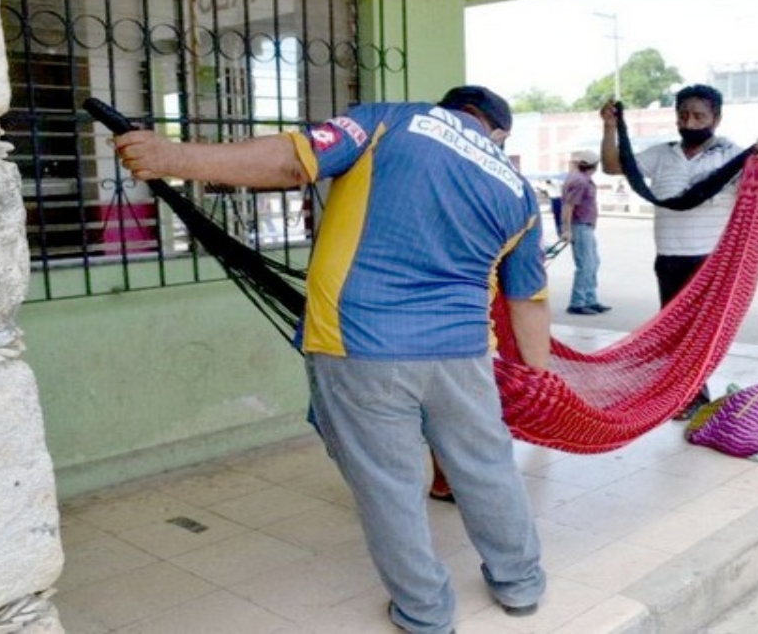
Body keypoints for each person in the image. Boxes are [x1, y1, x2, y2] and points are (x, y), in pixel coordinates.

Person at [114, 85, 548, 634]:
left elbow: (294, 160)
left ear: (451, 107)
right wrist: (539, 377)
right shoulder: (518, 190)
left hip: (361, 344)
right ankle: (521, 584)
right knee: (487, 471)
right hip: (463, 353)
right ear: (496, 131)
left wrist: (173, 157)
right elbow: (526, 298)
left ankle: (425, 612)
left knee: (388, 485)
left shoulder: (393, 122)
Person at [598, 84, 758, 420]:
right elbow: (612, 166)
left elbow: (756, 200)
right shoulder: (662, 153)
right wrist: (609, 127)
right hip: (669, 258)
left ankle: (693, 395)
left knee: (701, 332)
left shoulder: (733, 155)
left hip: (711, 260)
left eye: (698, 116)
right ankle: (680, 392)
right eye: (683, 115)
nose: (690, 122)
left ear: (716, 118)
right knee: (675, 334)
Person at [560, 150, 610, 315]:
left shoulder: (582, 180)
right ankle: (577, 302)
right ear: (595, 165)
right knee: (585, 265)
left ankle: (590, 299)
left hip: (585, 225)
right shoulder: (579, 182)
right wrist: (566, 229)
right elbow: (568, 206)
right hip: (579, 226)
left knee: (593, 263)